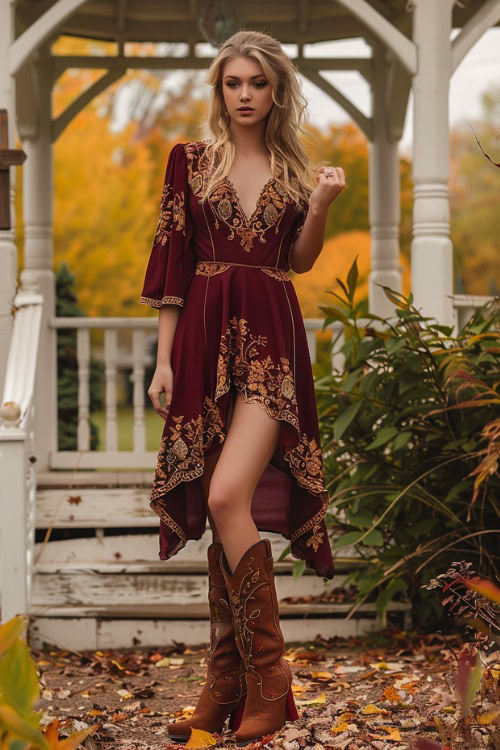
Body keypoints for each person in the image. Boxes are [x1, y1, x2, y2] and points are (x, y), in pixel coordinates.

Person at [140, 29, 345, 747]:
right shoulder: (189, 162)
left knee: (227, 497)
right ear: (219, 89)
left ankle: (270, 676)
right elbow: (171, 265)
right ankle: (225, 686)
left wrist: (319, 204)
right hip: (199, 342)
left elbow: (299, 260)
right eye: (234, 83)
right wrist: (164, 362)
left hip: (269, 346)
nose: (246, 95)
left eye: (258, 82)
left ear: (276, 89)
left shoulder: (293, 169)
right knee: (220, 509)